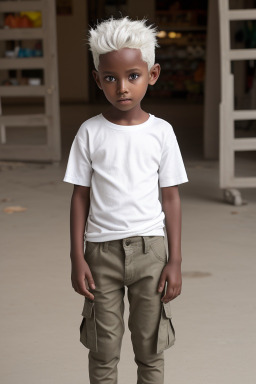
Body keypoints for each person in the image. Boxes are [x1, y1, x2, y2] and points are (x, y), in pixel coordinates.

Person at [63, 16, 188, 384]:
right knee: (103, 351)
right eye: (111, 78)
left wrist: (175, 260)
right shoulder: (89, 133)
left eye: (133, 76)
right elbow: (79, 197)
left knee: (151, 349)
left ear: (152, 74)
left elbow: (172, 198)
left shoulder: (162, 133)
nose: (122, 87)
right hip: (100, 254)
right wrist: (76, 256)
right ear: (97, 78)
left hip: (151, 253)